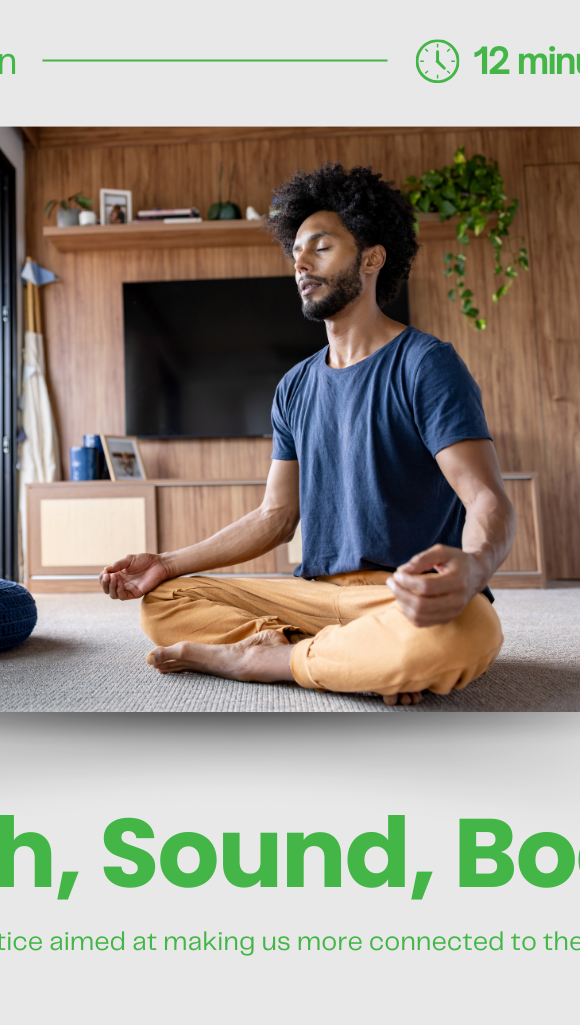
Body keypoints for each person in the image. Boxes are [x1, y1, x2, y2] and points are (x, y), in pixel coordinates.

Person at [100, 162, 515, 706]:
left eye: (320, 247)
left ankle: (272, 658)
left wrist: (475, 566)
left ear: (372, 258)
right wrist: (167, 563)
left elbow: (487, 498)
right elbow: (276, 516)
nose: (300, 261)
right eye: (296, 250)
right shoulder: (294, 386)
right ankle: (349, 659)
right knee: (164, 604)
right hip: (312, 595)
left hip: (401, 596)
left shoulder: (426, 364)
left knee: (470, 633)